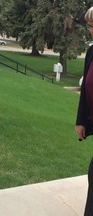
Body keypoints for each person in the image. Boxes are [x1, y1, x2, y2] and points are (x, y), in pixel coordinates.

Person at [76, 6, 93, 216]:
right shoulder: (91, 52)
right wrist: (81, 121)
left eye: (92, 26)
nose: (90, 30)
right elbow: (85, 91)